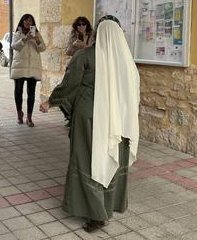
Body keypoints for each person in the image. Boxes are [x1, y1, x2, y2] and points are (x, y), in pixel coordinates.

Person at [40, 15, 140, 233]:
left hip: (90, 118)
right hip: (119, 120)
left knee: (88, 160)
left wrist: (51, 101)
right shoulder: (126, 60)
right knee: (111, 159)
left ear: (97, 33)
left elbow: (69, 85)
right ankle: (111, 204)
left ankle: (96, 215)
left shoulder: (85, 56)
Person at [10, 14, 46, 127]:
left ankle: (29, 118)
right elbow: (15, 46)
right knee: (18, 91)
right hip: (20, 66)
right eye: (26, 20)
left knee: (31, 93)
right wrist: (25, 38)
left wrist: (37, 39)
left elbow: (43, 48)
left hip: (32, 67)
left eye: (30, 21)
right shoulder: (18, 33)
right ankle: (19, 113)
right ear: (22, 21)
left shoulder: (37, 34)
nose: (28, 22)